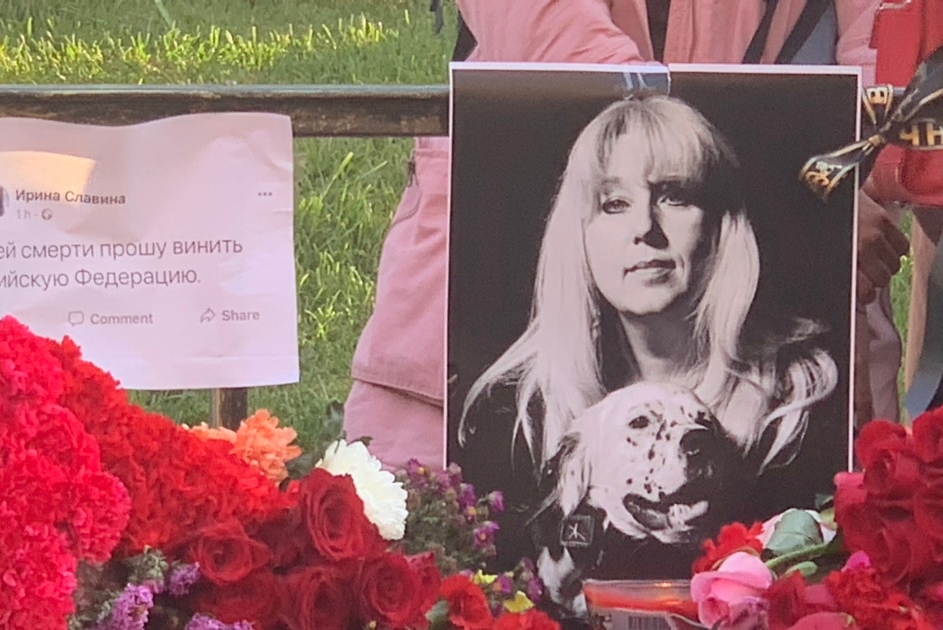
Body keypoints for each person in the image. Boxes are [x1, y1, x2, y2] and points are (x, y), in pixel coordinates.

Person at [344, 0, 910, 471]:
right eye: (616, 202)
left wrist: (841, 183)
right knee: (451, 550)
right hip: (469, 323)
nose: (644, 228)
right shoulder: (499, 397)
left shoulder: (800, 383)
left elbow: (893, 54)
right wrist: (806, 195)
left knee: (795, 560)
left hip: (793, 351)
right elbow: (550, 31)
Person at [455, 93, 838, 476]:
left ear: (720, 226)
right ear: (578, 235)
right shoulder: (518, 413)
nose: (644, 227)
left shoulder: (799, 405)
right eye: (614, 204)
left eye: (674, 197)